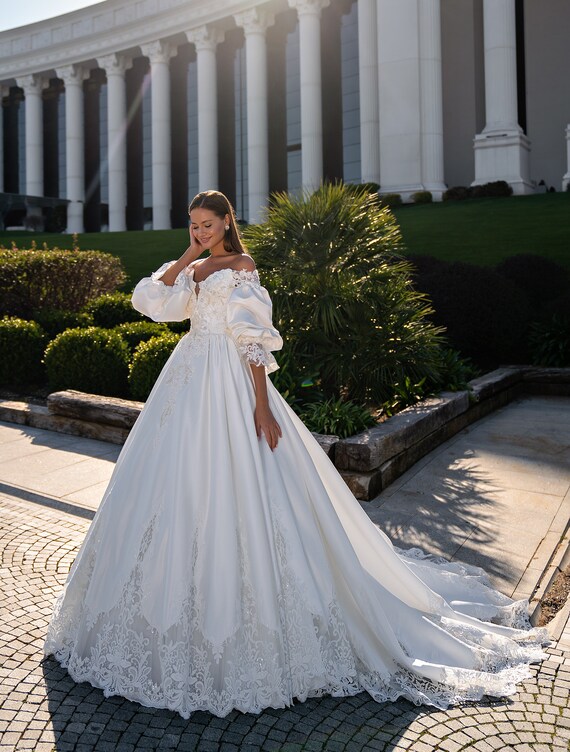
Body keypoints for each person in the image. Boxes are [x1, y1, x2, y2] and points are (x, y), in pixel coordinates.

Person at [45, 190, 547, 720]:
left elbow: (253, 341)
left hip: (231, 383)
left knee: (245, 484)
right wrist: (188, 260)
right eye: (193, 225)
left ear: (226, 222)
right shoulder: (191, 266)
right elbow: (150, 303)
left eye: (208, 225)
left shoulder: (242, 265)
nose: (200, 232)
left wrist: (261, 407)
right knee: (170, 486)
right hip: (187, 381)